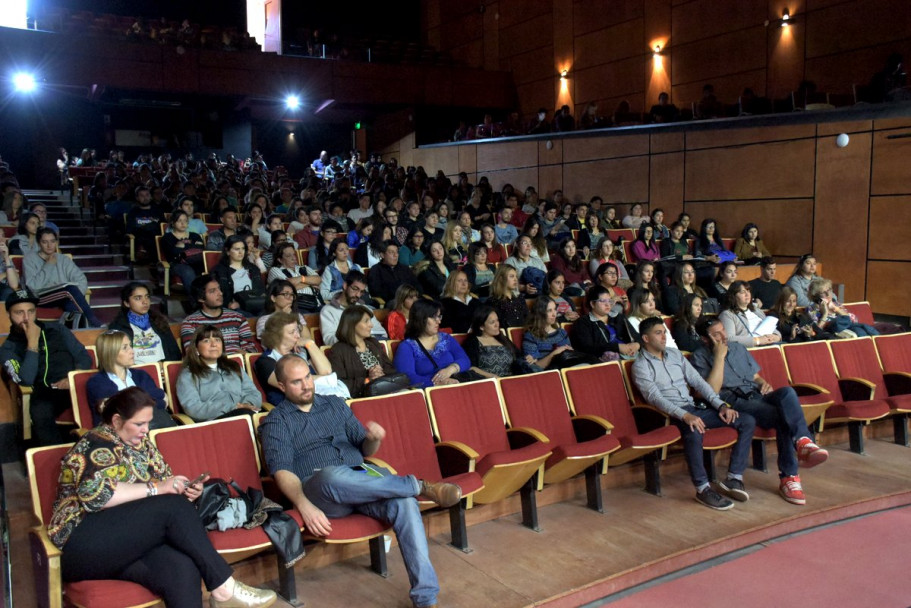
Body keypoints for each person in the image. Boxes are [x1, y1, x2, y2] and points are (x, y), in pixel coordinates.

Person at [47, 387, 277, 608]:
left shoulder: (141, 445)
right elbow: (96, 497)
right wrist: (158, 487)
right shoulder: (96, 443)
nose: (145, 429)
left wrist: (184, 490)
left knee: (183, 568)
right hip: (81, 546)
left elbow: (163, 488)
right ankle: (225, 588)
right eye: (138, 423)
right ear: (116, 421)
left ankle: (222, 589)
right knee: (172, 507)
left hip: (126, 543)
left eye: (147, 423)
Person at [260, 355, 460, 608]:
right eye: (297, 382)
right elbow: (282, 471)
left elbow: (366, 449)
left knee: (406, 504)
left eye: (308, 377)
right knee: (331, 474)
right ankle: (419, 486)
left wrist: (373, 438)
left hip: (362, 480)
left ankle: (426, 598)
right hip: (322, 490)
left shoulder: (335, 404)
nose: (306, 385)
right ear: (282, 386)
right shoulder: (277, 421)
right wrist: (303, 505)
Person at [691, 317, 829, 505]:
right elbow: (711, 391)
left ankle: (803, 441)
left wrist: (762, 382)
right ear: (705, 339)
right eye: (717, 334)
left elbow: (754, 375)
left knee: (787, 392)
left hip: (757, 394)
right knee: (783, 417)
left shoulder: (738, 347)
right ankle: (790, 477)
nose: (724, 336)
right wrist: (719, 356)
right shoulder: (699, 356)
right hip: (734, 401)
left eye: (723, 330)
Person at [632, 316, 756, 510]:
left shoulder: (675, 355)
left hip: (695, 408)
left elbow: (698, 382)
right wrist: (684, 415)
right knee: (694, 430)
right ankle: (703, 489)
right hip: (670, 414)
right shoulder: (640, 366)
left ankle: (734, 478)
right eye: (658, 333)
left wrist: (721, 405)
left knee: (745, 420)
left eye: (665, 332)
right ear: (646, 339)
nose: (664, 337)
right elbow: (655, 398)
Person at [0, 291, 93, 445]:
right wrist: (32, 344)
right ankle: (57, 459)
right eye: (19, 313)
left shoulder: (57, 330)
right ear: (8, 314)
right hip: (45, 392)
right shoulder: (8, 349)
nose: (26, 318)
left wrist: (73, 378)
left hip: (74, 383)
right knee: (40, 410)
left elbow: (83, 356)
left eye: (31, 311)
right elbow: (26, 379)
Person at [85, 330, 173, 429]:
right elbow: (116, 412)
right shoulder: (97, 382)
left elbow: (162, 402)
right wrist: (148, 401)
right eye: (125, 348)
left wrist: (134, 404)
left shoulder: (141, 375)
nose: (132, 351)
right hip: (116, 435)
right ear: (110, 353)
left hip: (150, 428)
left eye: (130, 346)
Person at [176, 325, 262, 421]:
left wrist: (246, 405)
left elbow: (253, 393)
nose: (214, 344)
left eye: (217, 340)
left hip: (246, 412)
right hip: (215, 421)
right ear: (196, 349)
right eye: (206, 341)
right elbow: (192, 408)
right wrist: (233, 407)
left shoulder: (234, 366)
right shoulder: (189, 374)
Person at [23, 228, 104, 327]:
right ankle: (94, 323)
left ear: (56, 242)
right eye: (45, 242)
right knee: (69, 290)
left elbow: (81, 279)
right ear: (39, 243)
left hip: (66, 296)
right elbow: (33, 286)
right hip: (40, 297)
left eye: (52, 241)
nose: (49, 246)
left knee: (70, 301)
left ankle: (79, 332)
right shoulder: (29, 259)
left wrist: (76, 296)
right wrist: (49, 265)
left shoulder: (63, 259)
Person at [254, 312, 334, 405]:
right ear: (276, 337)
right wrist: (327, 380)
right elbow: (292, 384)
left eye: (297, 330)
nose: (298, 336)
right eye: (292, 332)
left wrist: (309, 343)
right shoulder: (265, 361)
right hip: (291, 408)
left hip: (318, 400)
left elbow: (327, 371)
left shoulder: (302, 351)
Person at [393, 299, 472, 388]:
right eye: (434, 317)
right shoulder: (407, 347)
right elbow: (407, 378)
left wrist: (450, 370)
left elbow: (465, 360)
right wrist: (438, 382)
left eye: (439, 316)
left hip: (457, 384)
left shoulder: (446, 338)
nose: (439, 321)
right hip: (429, 392)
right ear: (420, 318)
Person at [327, 306, 399, 398]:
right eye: (366, 321)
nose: (371, 325)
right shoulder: (338, 350)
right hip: (361, 399)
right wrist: (368, 380)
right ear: (352, 324)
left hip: (385, 391)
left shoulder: (373, 343)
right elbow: (339, 384)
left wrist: (381, 373)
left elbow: (390, 369)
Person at [180, 275, 257, 354]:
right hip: (208, 365)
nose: (220, 293)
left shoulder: (237, 318)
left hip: (236, 363)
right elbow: (192, 354)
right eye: (212, 291)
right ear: (201, 298)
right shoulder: (190, 323)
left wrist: (246, 353)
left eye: (219, 289)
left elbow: (251, 348)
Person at [108, 282, 182, 364]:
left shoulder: (159, 322)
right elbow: (115, 359)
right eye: (138, 298)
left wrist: (163, 365)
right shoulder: (118, 327)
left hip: (161, 372)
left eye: (147, 297)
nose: (145, 302)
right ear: (126, 303)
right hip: (134, 373)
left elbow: (175, 353)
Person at [571, 285, 638, 362]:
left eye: (609, 301)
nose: (607, 304)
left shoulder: (619, 317)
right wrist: (617, 347)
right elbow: (587, 348)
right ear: (592, 304)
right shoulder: (583, 322)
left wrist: (637, 345)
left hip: (629, 356)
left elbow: (636, 336)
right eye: (603, 301)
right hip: (604, 361)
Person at [320, 270, 387, 347]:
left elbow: (382, 333)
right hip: (346, 352)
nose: (358, 295)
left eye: (361, 292)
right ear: (345, 286)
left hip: (368, 348)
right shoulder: (328, 311)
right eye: (355, 289)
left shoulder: (364, 308)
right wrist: (356, 335)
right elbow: (329, 340)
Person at [462, 305, 527, 378]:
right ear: (481, 326)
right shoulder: (472, 342)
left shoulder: (503, 339)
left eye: (497, 320)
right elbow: (471, 367)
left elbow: (519, 357)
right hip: (489, 382)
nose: (497, 325)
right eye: (492, 322)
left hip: (511, 380)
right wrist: (492, 377)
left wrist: (528, 358)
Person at [211, 235, 266, 316]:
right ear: (227, 251)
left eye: (243, 248)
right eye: (237, 249)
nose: (241, 252)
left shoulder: (253, 268)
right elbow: (219, 295)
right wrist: (231, 304)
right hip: (235, 308)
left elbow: (261, 290)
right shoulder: (219, 271)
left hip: (256, 304)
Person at [719, 281, 781, 347]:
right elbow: (729, 338)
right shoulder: (727, 314)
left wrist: (776, 336)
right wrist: (758, 340)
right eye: (742, 292)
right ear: (733, 296)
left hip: (770, 344)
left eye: (748, 291)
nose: (747, 294)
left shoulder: (756, 310)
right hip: (750, 348)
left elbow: (771, 328)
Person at [522, 298, 576, 371]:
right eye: (549, 311)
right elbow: (535, 367)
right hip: (546, 376)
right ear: (540, 314)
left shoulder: (562, 333)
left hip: (567, 370)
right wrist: (556, 352)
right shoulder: (531, 336)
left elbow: (570, 356)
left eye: (554, 309)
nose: (554, 314)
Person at [160, 209, 205, 291]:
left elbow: (201, 250)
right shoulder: (167, 238)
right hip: (176, 264)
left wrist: (182, 246)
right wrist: (191, 246)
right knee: (187, 271)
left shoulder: (195, 235)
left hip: (196, 261)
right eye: (179, 220)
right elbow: (172, 254)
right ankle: (195, 299)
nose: (183, 223)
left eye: (185, 220)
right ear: (173, 223)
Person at [487, 264, 528, 328]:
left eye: (516, 276)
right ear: (501, 279)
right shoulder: (493, 301)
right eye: (512, 276)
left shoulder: (520, 298)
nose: (515, 279)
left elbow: (527, 319)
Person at [0, 232, 21, 302]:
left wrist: (6, 258)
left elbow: (14, 285)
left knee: (9, 292)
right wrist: (5, 274)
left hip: (4, 291)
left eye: (3, 236)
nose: (1, 239)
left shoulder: (6, 258)